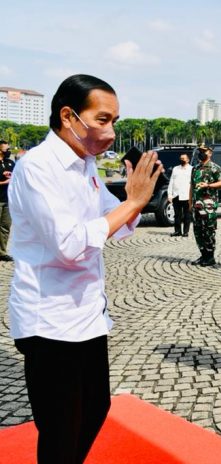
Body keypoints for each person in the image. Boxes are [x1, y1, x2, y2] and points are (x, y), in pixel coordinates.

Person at [7, 74, 162, 464]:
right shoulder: (38, 167)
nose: (110, 132)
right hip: (50, 320)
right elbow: (70, 245)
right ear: (68, 116)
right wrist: (133, 202)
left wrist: (136, 199)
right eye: (102, 119)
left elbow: (114, 216)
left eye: (115, 121)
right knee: (60, 427)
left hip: (87, 316)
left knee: (95, 410)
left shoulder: (86, 164)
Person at [189, 145, 221, 266]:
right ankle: (203, 255)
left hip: (208, 207)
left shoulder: (215, 168)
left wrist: (208, 186)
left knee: (208, 231)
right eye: (200, 151)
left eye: (204, 151)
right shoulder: (195, 168)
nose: (201, 153)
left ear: (210, 153)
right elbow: (191, 186)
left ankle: (210, 257)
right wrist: (190, 202)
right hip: (196, 205)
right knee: (198, 231)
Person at [167, 152, 193, 237]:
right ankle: (177, 231)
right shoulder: (175, 169)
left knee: (187, 215)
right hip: (176, 195)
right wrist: (169, 195)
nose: (181, 160)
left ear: (188, 160)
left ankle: (186, 232)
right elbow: (171, 182)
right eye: (180, 158)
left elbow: (193, 184)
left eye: (183, 158)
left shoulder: (192, 169)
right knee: (177, 215)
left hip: (187, 196)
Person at [0, 140, 15, 262]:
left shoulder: (10, 162)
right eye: (6, 149)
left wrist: (11, 176)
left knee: (5, 227)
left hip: (7, 200)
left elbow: (17, 178)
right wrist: (4, 182)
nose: (8, 151)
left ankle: (2, 252)